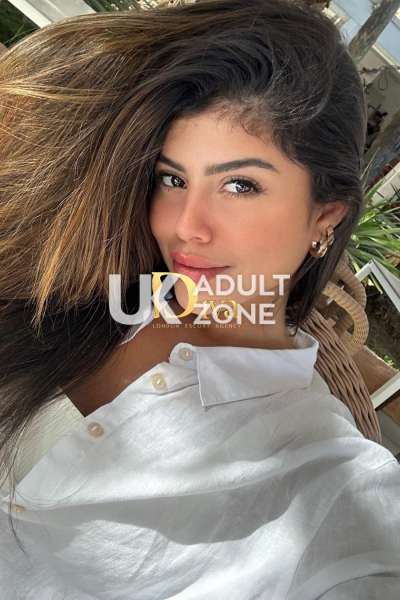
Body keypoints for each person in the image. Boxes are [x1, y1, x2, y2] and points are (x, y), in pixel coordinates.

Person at [0, 0, 399, 597]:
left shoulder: (333, 483)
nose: (187, 226)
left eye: (240, 185)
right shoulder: (94, 273)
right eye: (173, 178)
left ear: (325, 218)